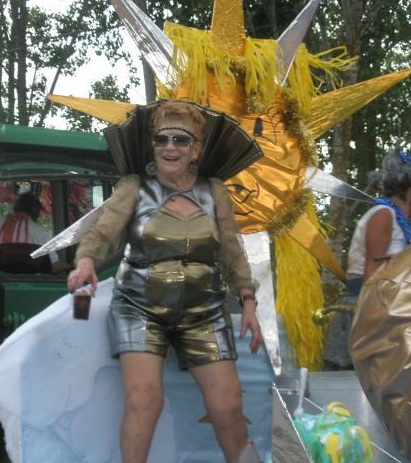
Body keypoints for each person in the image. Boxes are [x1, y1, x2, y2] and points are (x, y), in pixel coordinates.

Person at [66, 101, 263, 463]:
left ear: (196, 150)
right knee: (144, 400)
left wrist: (248, 300)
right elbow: (103, 233)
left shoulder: (214, 191)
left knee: (228, 404)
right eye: (162, 140)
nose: (170, 147)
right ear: (153, 146)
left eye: (181, 140)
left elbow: (231, 250)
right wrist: (86, 261)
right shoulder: (134, 187)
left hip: (204, 311)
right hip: (140, 306)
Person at [323, 149, 411, 370]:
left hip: (384, 303)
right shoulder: (383, 214)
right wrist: (376, 325)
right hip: (368, 306)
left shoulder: (395, 219)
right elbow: (371, 272)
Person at [0, 192, 69, 273]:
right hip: (26, 281)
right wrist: (72, 265)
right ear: (37, 214)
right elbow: (55, 266)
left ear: (15, 208)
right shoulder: (40, 232)